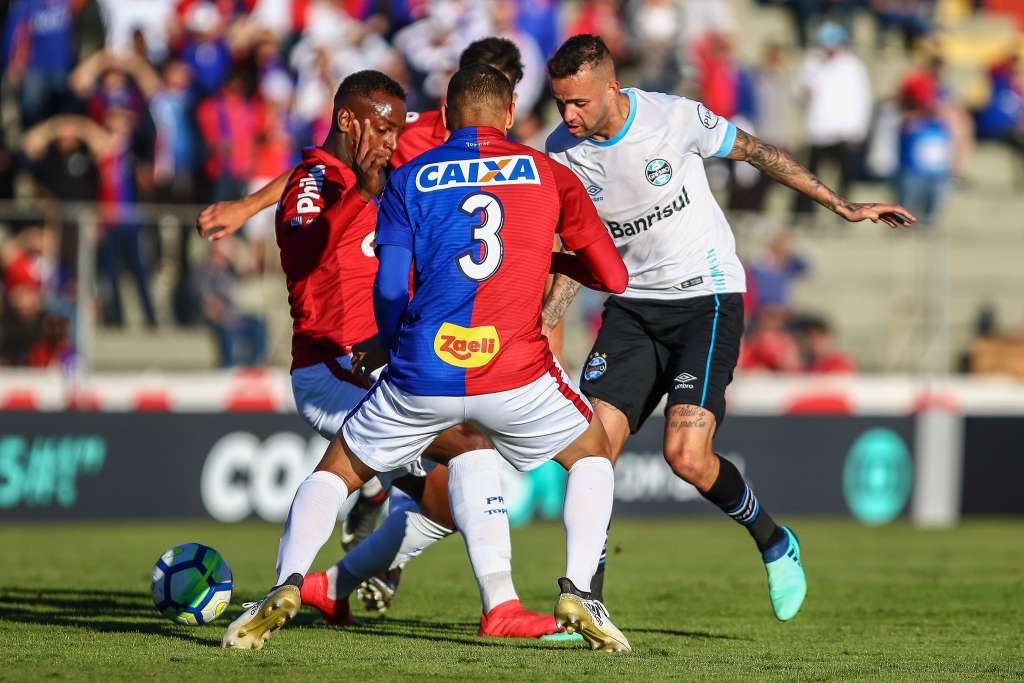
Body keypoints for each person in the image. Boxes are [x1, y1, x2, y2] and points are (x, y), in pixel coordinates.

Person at [223, 63, 631, 653]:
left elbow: (391, 289)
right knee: (586, 454)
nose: (391, 142)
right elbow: (612, 275)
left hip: (413, 366)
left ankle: (308, 584)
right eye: (383, 130)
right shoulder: (547, 173)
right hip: (387, 362)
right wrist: (555, 262)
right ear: (511, 113)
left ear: (444, 114)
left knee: (413, 488)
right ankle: (557, 597)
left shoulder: (408, 178)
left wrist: (392, 341)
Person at [541, 34, 916, 621]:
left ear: (611, 87)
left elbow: (759, 153)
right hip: (632, 307)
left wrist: (839, 203)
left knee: (686, 456)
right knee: (591, 454)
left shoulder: (673, 117)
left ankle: (774, 541)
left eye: (579, 103)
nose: (568, 116)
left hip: (706, 299)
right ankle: (585, 604)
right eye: (561, 102)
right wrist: (543, 324)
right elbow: (576, 247)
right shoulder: (561, 151)